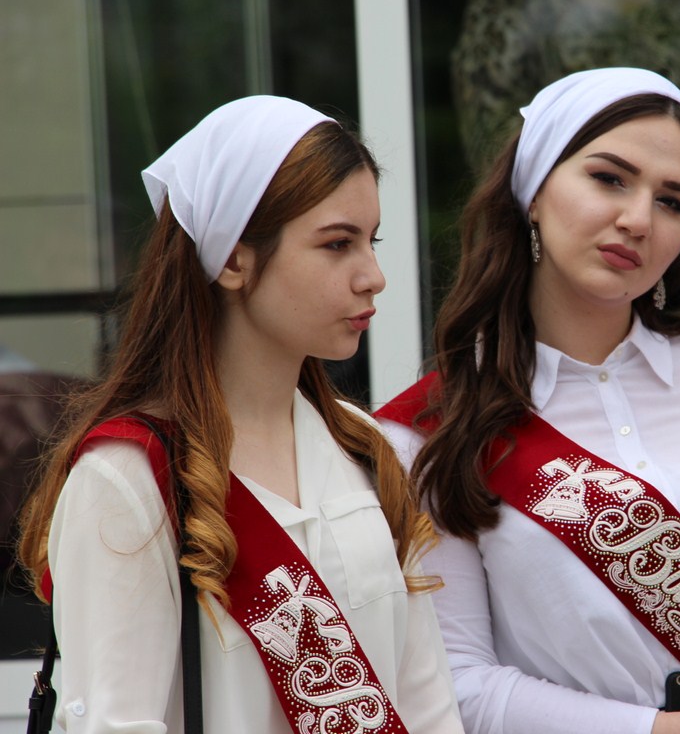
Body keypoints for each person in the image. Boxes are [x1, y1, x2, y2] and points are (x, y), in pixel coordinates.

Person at [375, 67, 680, 734]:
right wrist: (658, 731)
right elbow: (456, 685)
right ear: (533, 192)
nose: (638, 220)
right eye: (609, 179)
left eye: (673, 202)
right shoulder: (431, 430)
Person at [17, 95, 463, 733]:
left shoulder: (366, 448)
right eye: (338, 244)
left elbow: (428, 706)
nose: (374, 276)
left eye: (372, 241)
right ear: (232, 258)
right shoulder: (128, 477)